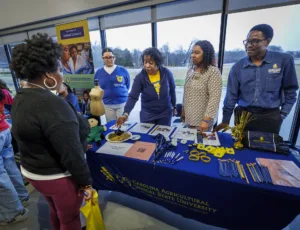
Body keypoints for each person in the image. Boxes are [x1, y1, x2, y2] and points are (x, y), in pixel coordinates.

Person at [10, 33, 93, 230]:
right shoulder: (53, 106)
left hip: (34, 173)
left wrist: (62, 97)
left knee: (56, 211)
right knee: (70, 219)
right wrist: (85, 183)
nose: (62, 74)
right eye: (59, 69)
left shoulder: (21, 96)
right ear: (49, 75)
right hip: (58, 177)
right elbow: (72, 151)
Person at [215, 24, 299, 134]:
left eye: (255, 41)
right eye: (247, 42)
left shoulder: (283, 61)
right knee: (240, 147)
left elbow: (291, 92)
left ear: (267, 42)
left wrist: (283, 114)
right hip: (243, 115)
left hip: (270, 116)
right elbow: (231, 97)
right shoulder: (238, 67)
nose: (249, 45)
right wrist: (225, 120)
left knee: (267, 149)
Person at [117, 47, 177, 126]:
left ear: (157, 63)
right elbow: (133, 97)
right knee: (147, 138)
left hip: (165, 114)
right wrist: (126, 113)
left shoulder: (167, 73)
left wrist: (174, 106)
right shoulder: (140, 77)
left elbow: (172, 90)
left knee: (164, 136)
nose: (147, 66)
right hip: (148, 115)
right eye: (145, 62)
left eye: (151, 63)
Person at [0, 83, 30, 226]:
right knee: (10, 166)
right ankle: (23, 197)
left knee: (1, 175)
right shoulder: (4, 91)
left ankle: (14, 212)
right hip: (4, 129)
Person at [182, 40, 222, 132]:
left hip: (203, 121)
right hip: (189, 119)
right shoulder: (191, 71)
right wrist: (183, 110)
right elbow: (186, 93)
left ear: (206, 54)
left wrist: (206, 120)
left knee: (200, 145)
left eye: (197, 53)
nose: (193, 55)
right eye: (192, 52)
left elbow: (214, 98)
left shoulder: (213, 72)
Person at [94, 48, 130, 122]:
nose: (109, 59)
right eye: (106, 57)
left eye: (111, 57)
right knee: (111, 126)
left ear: (114, 57)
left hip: (122, 104)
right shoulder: (98, 72)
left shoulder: (122, 70)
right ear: (102, 58)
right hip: (108, 105)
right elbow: (97, 87)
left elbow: (127, 85)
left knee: (124, 126)